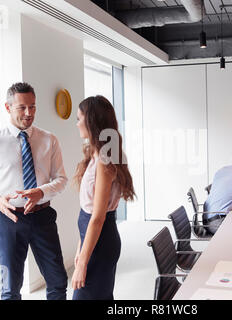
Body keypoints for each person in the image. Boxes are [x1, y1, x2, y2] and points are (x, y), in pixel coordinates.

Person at [0, 82, 68, 300]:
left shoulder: (49, 139)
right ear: (7, 107)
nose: (29, 113)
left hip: (43, 216)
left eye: (32, 107)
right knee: (10, 289)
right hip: (9, 220)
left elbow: (61, 179)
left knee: (58, 281)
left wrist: (40, 192)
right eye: (22, 107)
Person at [72, 95, 135, 300]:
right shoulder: (97, 154)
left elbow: (97, 218)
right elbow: (88, 214)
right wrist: (80, 249)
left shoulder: (104, 159)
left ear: (92, 121)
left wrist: (82, 263)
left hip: (100, 240)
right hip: (93, 237)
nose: (77, 123)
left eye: (80, 118)